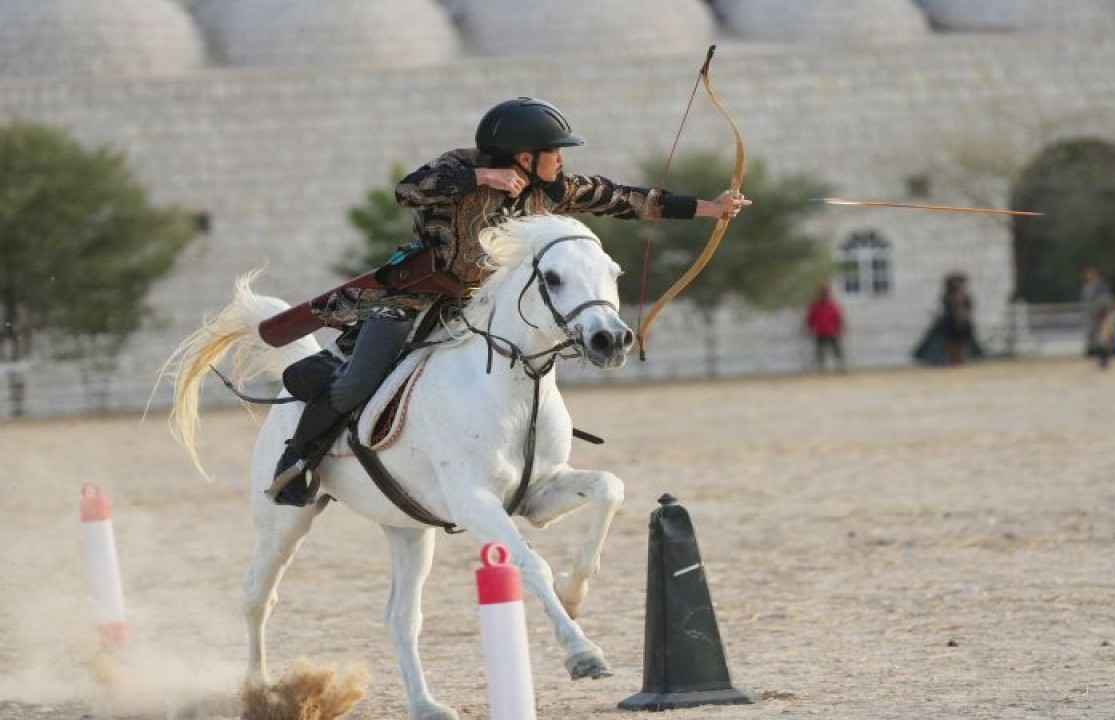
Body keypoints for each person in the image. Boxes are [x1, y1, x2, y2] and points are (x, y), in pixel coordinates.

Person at [271, 97, 752, 505]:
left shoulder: (552, 189)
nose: (561, 161)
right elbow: (407, 190)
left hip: (491, 306)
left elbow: (622, 198)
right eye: (554, 153)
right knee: (357, 383)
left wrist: (708, 209)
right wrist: (482, 178)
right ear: (523, 156)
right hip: (420, 297)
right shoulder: (459, 167)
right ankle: (298, 461)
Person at [1080, 264, 1115, 365]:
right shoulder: (1086, 287)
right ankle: (1102, 358)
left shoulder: (1101, 286)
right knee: (1096, 338)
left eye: (1090, 273)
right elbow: (1087, 304)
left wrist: (1103, 313)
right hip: (1094, 316)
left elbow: (1107, 301)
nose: (1087, 276)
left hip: (1104, 315)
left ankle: (1105, 358)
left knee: (1104, 337)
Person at [805, 283, 845, 371]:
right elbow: (810, 318)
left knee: (837, 350)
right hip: (820, 331)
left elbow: (838, 317)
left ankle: (840, 366)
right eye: (823, 293)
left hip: (832, 331)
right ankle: (821, 367)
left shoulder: (832, 305)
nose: (824, 295)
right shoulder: (815, 306)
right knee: (820, 351)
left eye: (826, 293)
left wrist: (840, 328)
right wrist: (810, 328)